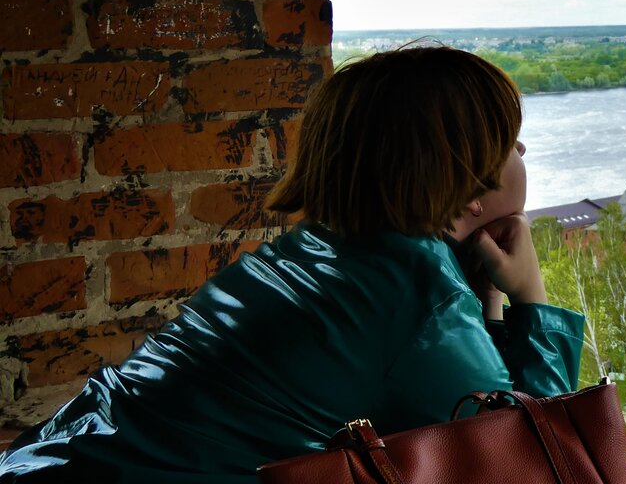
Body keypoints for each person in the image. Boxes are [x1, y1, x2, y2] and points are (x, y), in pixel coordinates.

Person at [0, 46, 584, 483]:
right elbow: (536, 461)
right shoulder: (412, 289)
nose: (524, 154)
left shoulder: (319, 252)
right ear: (468, 182)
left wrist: (483, 295)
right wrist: (530, 297)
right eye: (511, 142)